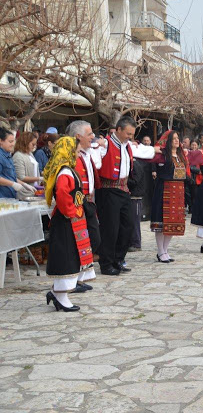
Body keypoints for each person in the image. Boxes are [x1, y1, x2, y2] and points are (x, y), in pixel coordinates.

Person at [96, 116, 159, 276]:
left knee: (128, 226)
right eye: (128, 133)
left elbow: (143, 151)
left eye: (132, 134)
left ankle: (118, 259)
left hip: (124, 190)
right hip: (108, 190)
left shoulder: (128, 146)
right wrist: (96, 143)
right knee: (111, 229)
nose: (130, 136)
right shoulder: (106, 145)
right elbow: (93, 153)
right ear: (118, 130)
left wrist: (158, 150)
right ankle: (106, 263)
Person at [42, 137, 93, 312]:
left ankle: (58, 294)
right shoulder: (64, 172)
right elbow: (64, 197)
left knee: (71, 256)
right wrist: (73, 213)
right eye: (77, 151)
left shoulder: (68, 170)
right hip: (66, 220)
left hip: (72, 218)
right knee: (66, 258)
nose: (79, 155)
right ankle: (60, 295)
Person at [66, 121, 102, 291]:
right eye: (89, 134)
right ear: (78, 137)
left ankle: (80, 277)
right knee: (79, 240)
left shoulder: (87, 154)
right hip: (78, 202)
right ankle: (74, 280)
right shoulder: (69, 156)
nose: (93, 137)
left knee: (92, 239)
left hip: (88, 201)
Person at [149, 130, 190, 263]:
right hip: (164, 190)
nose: (177, 141)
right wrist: (158, 149)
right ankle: (160, 251)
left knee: (173, 222)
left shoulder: (181, 156)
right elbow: (149, 154)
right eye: (173, 139)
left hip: (177, 192)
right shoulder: (163, 155)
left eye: (178, 138)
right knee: (162, 222)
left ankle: (165, 250)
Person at [0, 128, 35, 198]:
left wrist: (23, 184)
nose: (13, 144)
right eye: (10, 142)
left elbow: (10, 176)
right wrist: (13, 184)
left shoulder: (7, 155)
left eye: (14, 141)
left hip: (10, 196)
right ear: (1, 141)